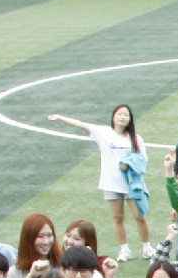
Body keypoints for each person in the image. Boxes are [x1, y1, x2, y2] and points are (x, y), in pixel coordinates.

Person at [48, 104, 150, 262]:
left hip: (131, 183)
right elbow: (82, 125)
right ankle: (124, 249)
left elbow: (142, 159)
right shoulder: (103, 133)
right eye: (119, 114)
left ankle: (147, 247)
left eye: (125, 115)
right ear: (113, 117)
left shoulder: (136, 138)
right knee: (118, 217)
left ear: (130, 119)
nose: (122, 117)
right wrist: (60, 117)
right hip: (111, 183)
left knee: (139, 216)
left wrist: (128, 164)